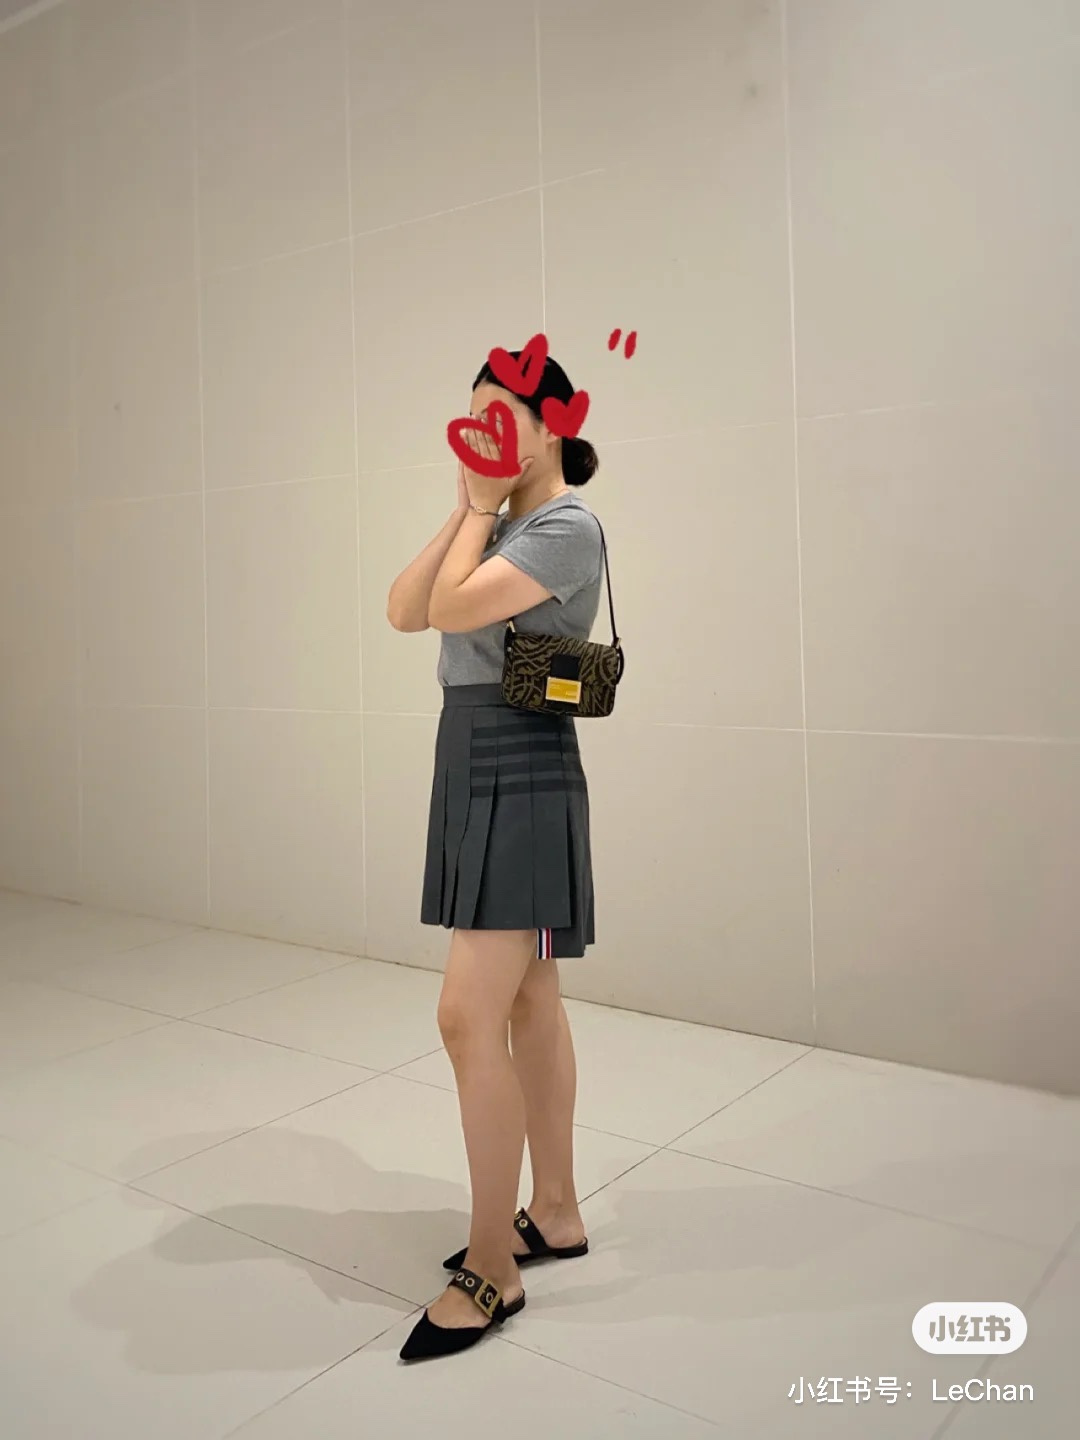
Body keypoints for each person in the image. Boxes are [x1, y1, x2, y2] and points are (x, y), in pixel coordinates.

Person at [386, 353, 603, 1362]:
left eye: (500, 416)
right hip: (472, 751)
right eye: (471, 418)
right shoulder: (503, 521)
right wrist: (471, 506)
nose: (482, 434)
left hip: (519, 758)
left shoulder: (567, 526)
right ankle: (553, 1209)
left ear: (550, 427)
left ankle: (493, 1267)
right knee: (527, 1001)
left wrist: (482, 508)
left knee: (465, 1015)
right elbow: (403, 606)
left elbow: (451, 611)